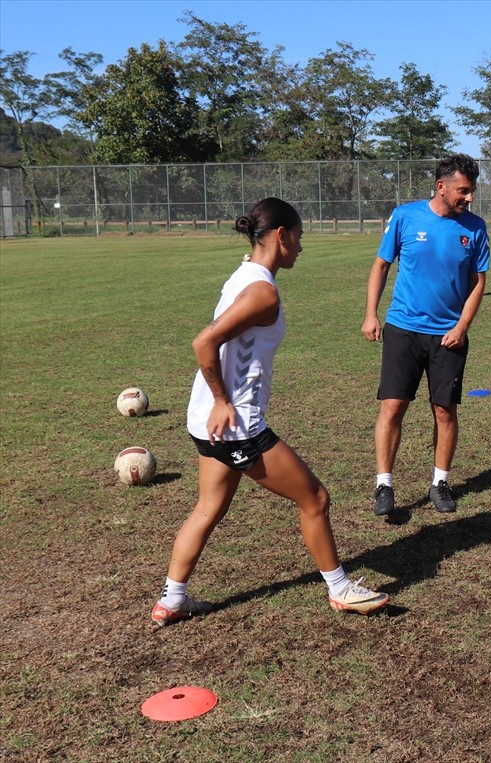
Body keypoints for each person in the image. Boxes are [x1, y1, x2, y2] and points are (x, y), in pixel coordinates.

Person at [152, 198, 389, 626]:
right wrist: (224, 401)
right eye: (298, 238)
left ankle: (172, 599)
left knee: (208, 509)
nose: (301, 247)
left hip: (208, 423)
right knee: (314, 498)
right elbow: (203, 343)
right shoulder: (261, 290)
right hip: (235, 424)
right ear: (281, 236)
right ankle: (340, 589)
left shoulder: (245, 274)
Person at [364, 154, 490, 517]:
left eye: (471, 191)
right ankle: (384, 484)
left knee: (444, 411)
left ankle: (440, 482)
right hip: (403, 328)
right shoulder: (405, 216)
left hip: (448, 335)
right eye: (463, 191)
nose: (468, 198)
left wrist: (462, 326)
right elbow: (381, 265)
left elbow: (478, 282)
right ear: (441, 187)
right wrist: (371, 314)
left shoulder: (475, 228)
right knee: (392, 406)